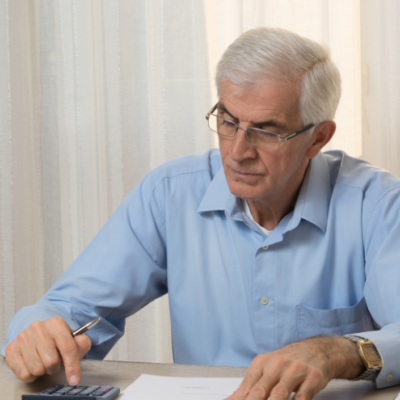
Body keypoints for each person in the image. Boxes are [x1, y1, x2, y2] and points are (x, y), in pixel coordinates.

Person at [3, 27, 400, 400]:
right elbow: (68, 310)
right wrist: (35, 334)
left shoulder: (375, 203)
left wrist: (340, 351)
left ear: (318, 138)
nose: (238, 151)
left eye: (266, 131)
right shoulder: (170, 193)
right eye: (228, 120)